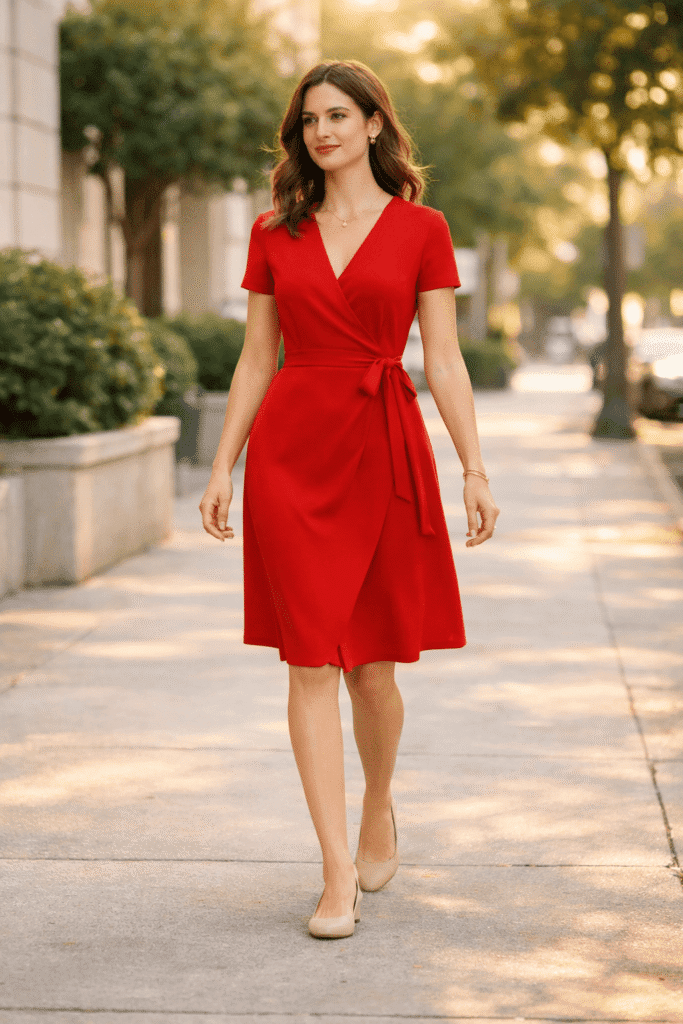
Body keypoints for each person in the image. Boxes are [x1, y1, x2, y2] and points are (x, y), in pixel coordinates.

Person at [199, 59, 499, 940]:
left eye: (337, 115)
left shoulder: (422, 229)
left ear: (373, 124)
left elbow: (443, 358)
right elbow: (256, 358)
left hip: (383, 446)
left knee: (373, 668)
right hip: (292, 456)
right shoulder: (273, 233)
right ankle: (335, 873)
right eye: (308, 120)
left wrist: (472, 468)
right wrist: (222, 465)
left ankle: (377, 803)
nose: (320, 131)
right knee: (308, 663)